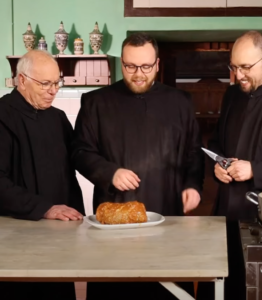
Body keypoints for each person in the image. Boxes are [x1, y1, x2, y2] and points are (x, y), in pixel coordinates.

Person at [72, 33, 205, 300]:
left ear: (157, 64)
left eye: (145, 67)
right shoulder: (95, 102)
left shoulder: (180, 102)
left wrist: (193, 185)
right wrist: (110, 172)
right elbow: (79, 152)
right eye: (131, 66)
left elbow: (194, 154)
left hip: (168, 215)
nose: (138, 74)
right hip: (114, 218)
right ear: (121, 63)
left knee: (168, 291)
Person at [203, 30, 262, 300]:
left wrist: (255, 169)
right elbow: (215, 142)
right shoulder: (232, 95)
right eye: (233, 67)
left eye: (245, 67)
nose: (238, 75)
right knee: (221, 287)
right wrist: (218, 164)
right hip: (225, 212)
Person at [0, 50, 85, 300]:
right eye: (45, 83)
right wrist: (45, 208)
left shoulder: (58, 119)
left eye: (56, 82)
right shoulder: (2, 116)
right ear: (22, 80)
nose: (53, 90)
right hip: (15, 237)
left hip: (58, 237)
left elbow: (72, 170)